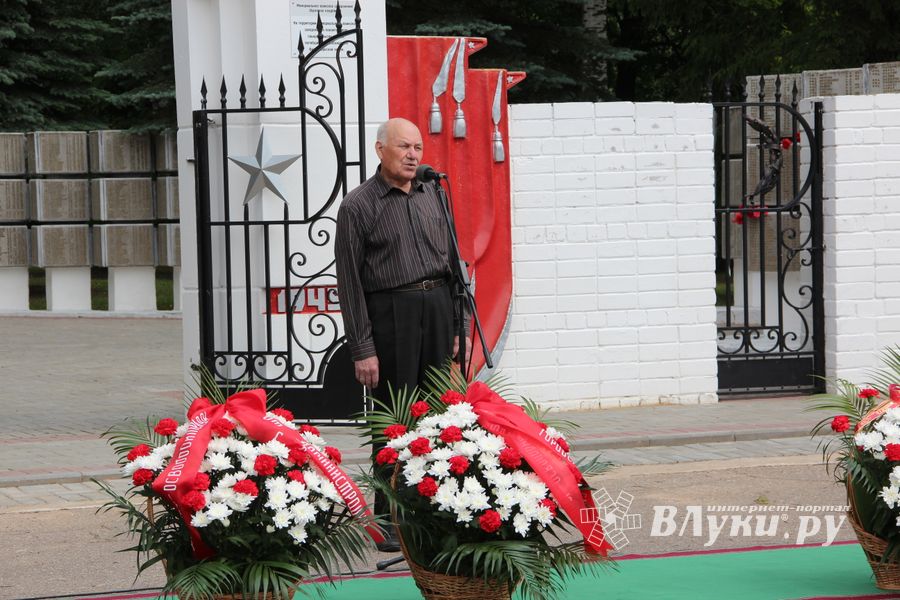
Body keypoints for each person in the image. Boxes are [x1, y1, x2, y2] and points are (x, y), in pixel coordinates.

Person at [334, 117, 467, 551]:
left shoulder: (434, 194)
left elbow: (455, 263)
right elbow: (349, 283)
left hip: (438, 306)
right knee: (394, 418)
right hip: (391, 314)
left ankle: (434, 512)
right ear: (380, 150)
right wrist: (362, 347)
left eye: (418, 148)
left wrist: (459, 325)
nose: (413, 155)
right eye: (403, 147)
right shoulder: (358, 205)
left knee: (438, 416)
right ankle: (390, 520)